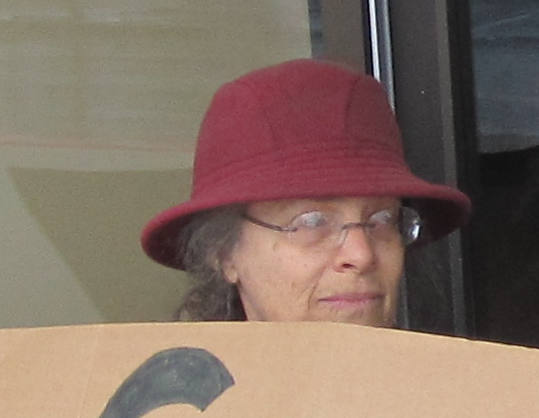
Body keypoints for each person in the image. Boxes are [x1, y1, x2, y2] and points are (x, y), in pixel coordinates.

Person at [144, 59, 469, 325]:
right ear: (222, 254)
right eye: (312, 222)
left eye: (383, 220)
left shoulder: (455, 385)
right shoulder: (180, 389)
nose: (361, 255)